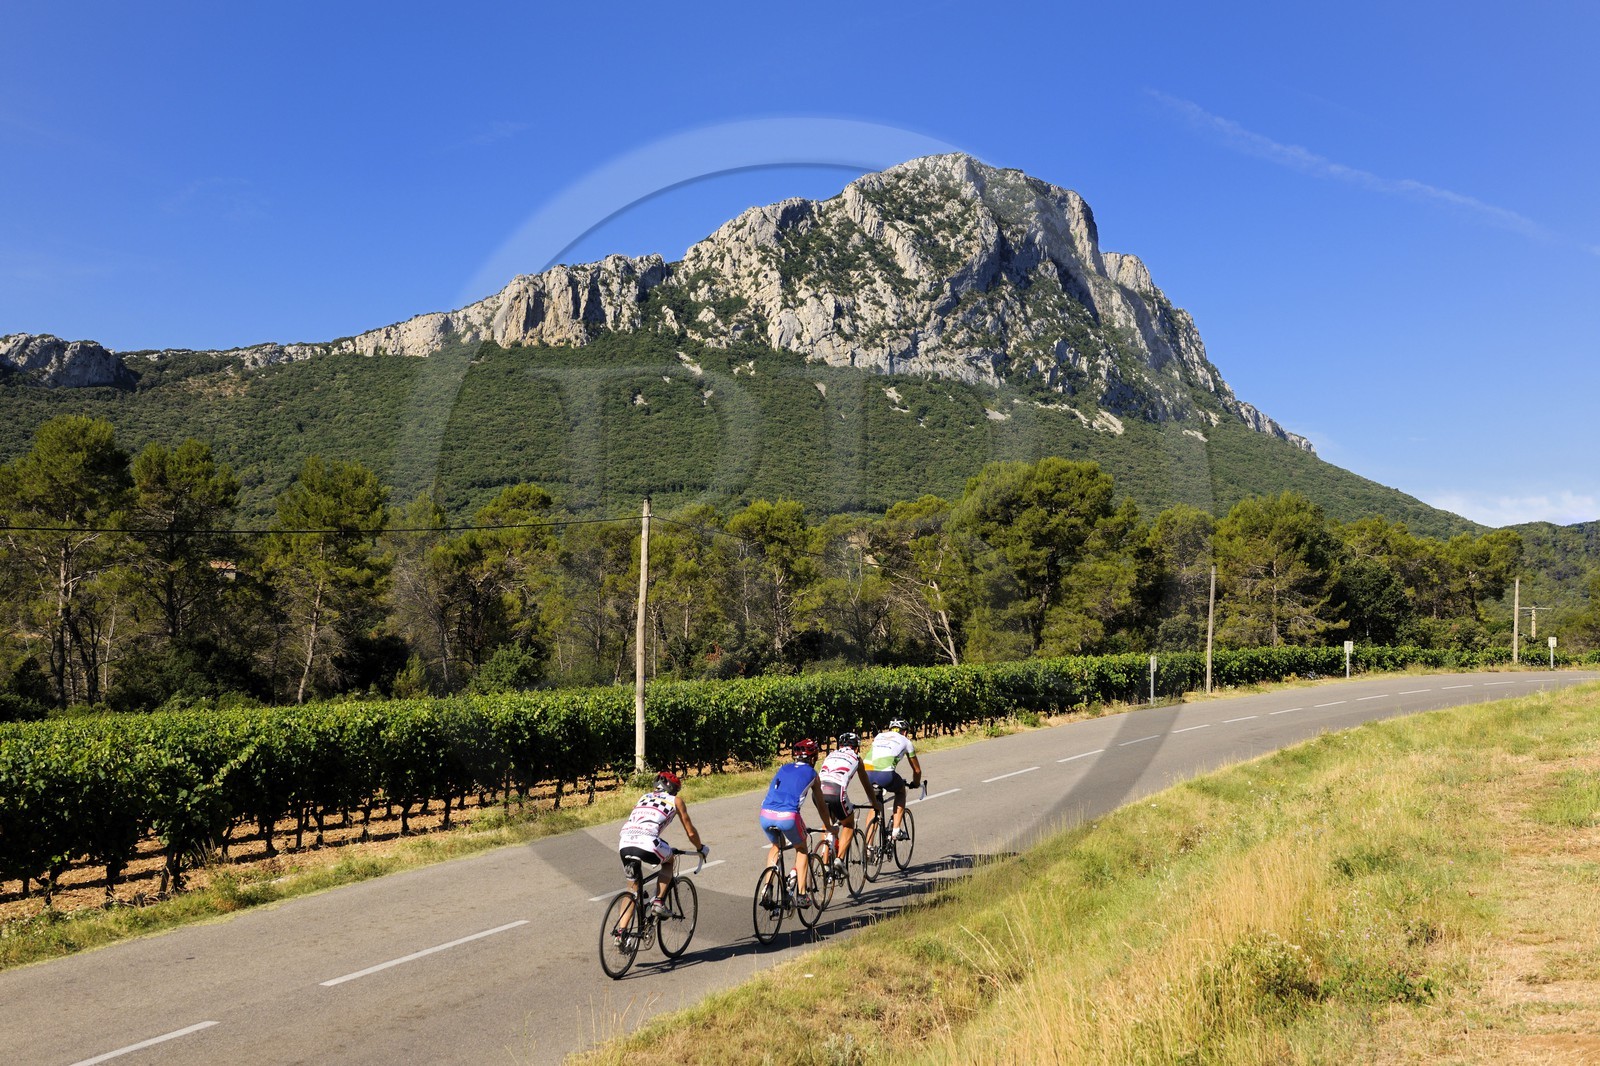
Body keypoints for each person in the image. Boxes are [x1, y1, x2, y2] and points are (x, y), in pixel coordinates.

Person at [615, 771, 707, 934]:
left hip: (625, 842)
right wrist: (700, 848)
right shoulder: (675, 800)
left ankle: (621, 934)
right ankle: (658, 902)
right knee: (669, 861)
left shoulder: (644, 797)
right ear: (673, 789)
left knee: (632, 889)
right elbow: (691, 832)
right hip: (648, 842)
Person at [758, 738, 835, 906]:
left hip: (765, 814)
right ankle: (801, 894)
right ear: (813, 758)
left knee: (776, 846)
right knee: (801, 848)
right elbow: (822, 806)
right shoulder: (813, 774)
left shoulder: (783, 767)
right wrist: (829, 826)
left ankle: (767, 889)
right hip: (788, 816)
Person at [816, 731, 883, 878]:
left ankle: (825, 863)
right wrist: (874, 803)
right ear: (857, 748)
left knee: (828, 824)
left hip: (818, 793)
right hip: (837, 792)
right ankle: (839, 860)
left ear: (840, 745)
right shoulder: (856, 758)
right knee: (848, 824)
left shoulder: (830, 755)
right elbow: (866, 784)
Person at [866, 718, 922, 840]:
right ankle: (896, 830)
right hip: (885, 774)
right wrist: (916, 783)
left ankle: (868, 846)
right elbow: (917, 770)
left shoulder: (879, 736)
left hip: (866, 772)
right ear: (905, 732)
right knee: (901, 791)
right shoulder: (906, 741)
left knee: (875, 804)